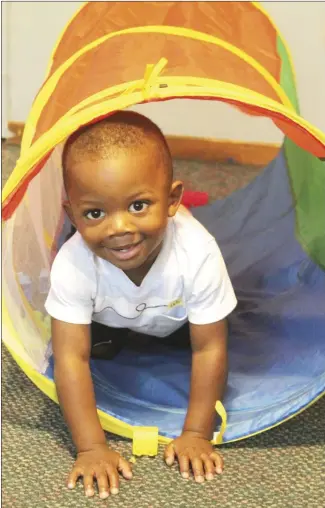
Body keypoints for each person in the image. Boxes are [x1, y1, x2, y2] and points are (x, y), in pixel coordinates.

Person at [45, 110, 237, 500]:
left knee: (208, 332)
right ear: (72, 215)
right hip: (110, 317)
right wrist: (92, 447)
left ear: (172, 200)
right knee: (93, 345)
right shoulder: (74, 262)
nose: (119, 228)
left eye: (138, 205)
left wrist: (197, 434)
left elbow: (210, 346)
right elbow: (69, 359)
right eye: (95, 213)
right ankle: (114, 334)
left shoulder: (197, 252)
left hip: (177, 316)